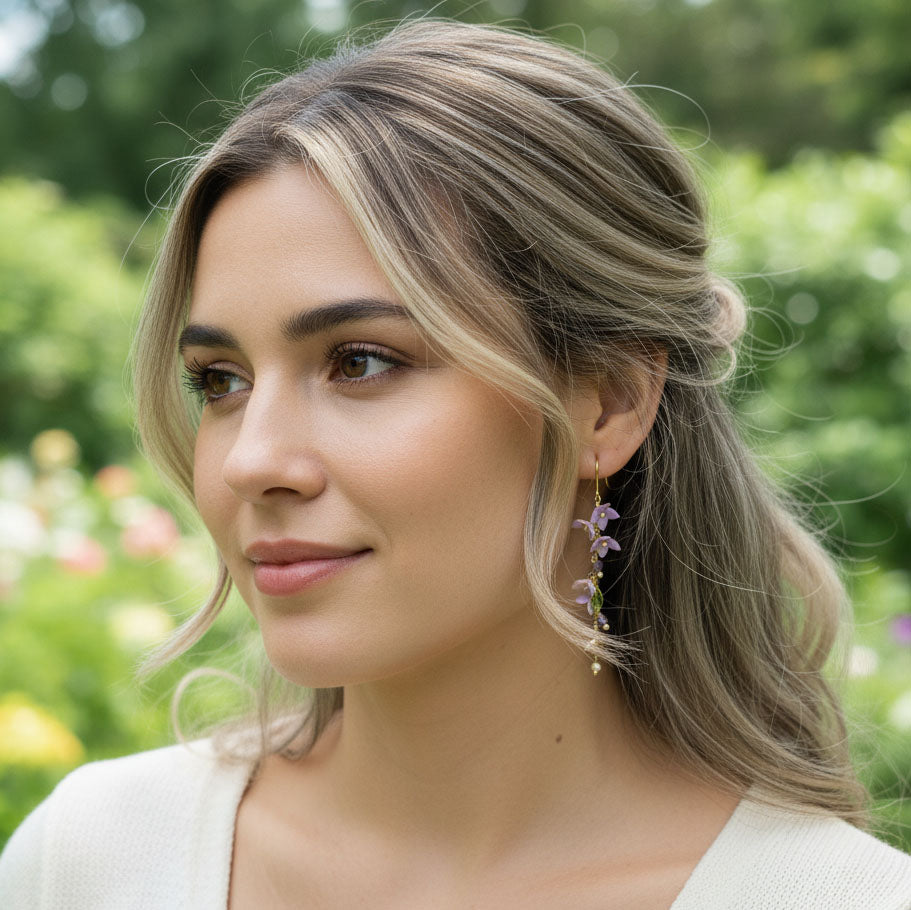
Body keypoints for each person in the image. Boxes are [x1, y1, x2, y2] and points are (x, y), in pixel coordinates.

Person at [1, 17, 910, 910]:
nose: (251, 460)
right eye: (221, 380)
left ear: (610, 401)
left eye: (360, 361)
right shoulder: (91, 860)